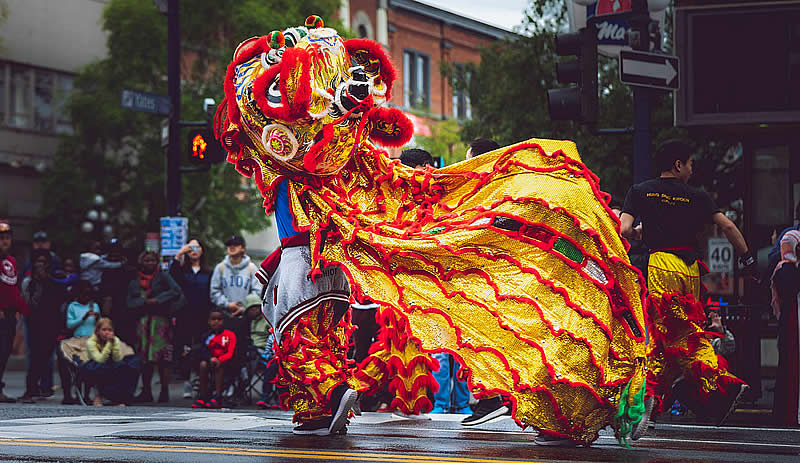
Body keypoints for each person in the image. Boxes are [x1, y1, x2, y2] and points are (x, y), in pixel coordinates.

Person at [217, 21, 648, 445]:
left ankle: (324, 400)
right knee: (311, 334)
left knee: (305, 333)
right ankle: (322, 403)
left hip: (315, 264)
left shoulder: (325, 170)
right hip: (322, 265)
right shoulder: (313, 169)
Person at [621, 139, 754, 435]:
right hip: (691, 270)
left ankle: (716, 383)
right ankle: (656, 400)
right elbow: (729, 227)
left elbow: (625, 229)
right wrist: (748, 260)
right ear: (678, 165)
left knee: (669, 331)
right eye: (690, 163)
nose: (692, 170)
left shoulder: (640, 191)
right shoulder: (698, 196)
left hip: (662, 265)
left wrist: (641, 236)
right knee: (680, 330)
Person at [127, 251, 184, 403]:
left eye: (153, 260)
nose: (150, 263)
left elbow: (176, 291)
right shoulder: (135, 279)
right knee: (145, 358)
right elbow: (130, 301)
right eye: (147, 261)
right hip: (143, 321)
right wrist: (143, 302)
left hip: (161, 321)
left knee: (163, 358)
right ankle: (146, 390)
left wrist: (158, 300)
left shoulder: (163, 276)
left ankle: (164, 391)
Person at [19, 250, 67, 403]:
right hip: (34, 324)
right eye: (38, 261)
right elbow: (29, 304)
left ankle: (46, 388)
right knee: (35, 358)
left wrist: (48, 280)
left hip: (52, 324)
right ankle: (30, 390)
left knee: (48, 358)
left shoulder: (55, 279)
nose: (41, 265)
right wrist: (38, 283)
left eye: (44, 262)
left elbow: (61, 299)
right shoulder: (29, 282)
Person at [170, 238, 213, 399]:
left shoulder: (208, 272)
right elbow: (172, 275)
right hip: (185, 315)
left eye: (197, 247)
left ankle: (201, 381)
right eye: (191, 248)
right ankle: (187, 380)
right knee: (185, 348)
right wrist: (180, 253)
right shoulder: (183, 271)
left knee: (202, 347)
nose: (194, 250)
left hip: (203, 315)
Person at [769, 230, 800, 426]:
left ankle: (787, 414)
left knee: (788, 365)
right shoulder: (788, 270)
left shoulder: (783, 269)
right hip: (792, 322)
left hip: (790, 324)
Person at [0, 221, 29, 403]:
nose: (5, 242)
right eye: (1, 239)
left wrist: (21, 309)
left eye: (7, 238)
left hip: (10, 315)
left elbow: (14, 288)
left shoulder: (11, 261)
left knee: (4, 352)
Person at [84, 317, 140, 406]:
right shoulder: (91, 342)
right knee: (102, 368)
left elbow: (117, 358)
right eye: (104, 330)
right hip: (95, 366)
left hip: (110, 364)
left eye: (109, 330)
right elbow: (99, 359)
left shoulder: (115, 340)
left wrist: (114, 344)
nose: (107, 332)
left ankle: (122, 398)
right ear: (98, 331)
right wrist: (109, 344)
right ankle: (101, 395)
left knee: (128, 365)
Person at [191, 309, 237, 409]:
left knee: (218, 366)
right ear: (208, 321)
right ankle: (202, 396)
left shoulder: (229, 335)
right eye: (213, 319)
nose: (216, 321)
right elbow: (203, 351)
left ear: (224, 321)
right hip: (210, 361)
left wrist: (219, 360)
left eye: (219, 319)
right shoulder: (206, 336)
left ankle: (217, 396)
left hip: (226, 363)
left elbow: (230, 353)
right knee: (202, 364)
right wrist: (210, 359)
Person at [210, 235, 261, 324]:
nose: (232, 247)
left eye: (236, 244)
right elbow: (214, 292)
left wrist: (244, 308)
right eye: (229, 245)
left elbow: (257, 292)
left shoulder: (251, 268)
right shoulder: (220, 267)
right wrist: (227, 304)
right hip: (224, 316)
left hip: (246, 317)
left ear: (243, 248)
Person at [244, 294, 278, 409]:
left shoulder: (266, 319)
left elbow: (273, 337)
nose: (255, 311)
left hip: (265, 349)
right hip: (252, 348)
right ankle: (240, 392)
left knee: (272, 367)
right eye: (251, 309)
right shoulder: (248, 321)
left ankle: (267, 396)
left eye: (257, 307)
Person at [99, 239, 136, 346]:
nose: (114, 254)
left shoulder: (129, 269)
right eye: (111, 251)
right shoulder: (102, 268)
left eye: (116, 251)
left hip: (125, 308)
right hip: (107, 309)